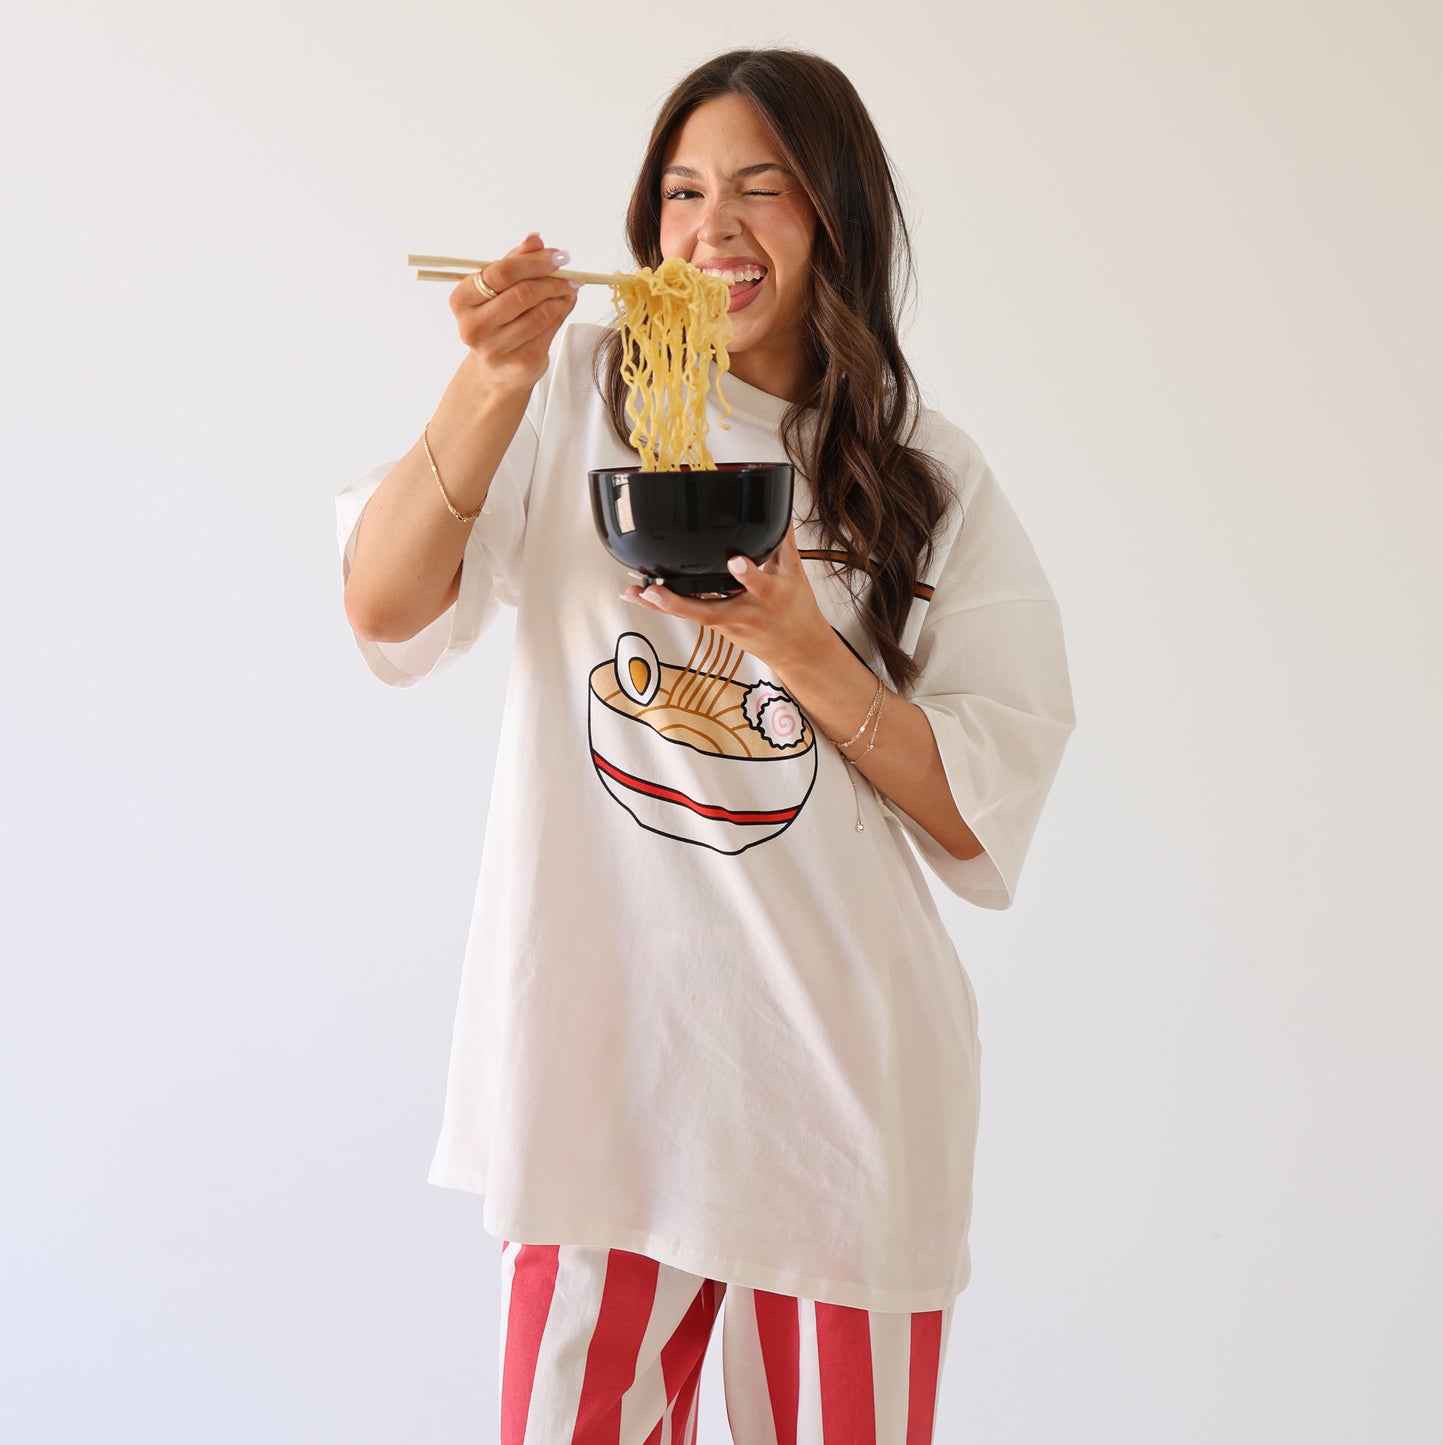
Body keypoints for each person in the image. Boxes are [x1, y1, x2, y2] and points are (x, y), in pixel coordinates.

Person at [337, 47, 1074, 1445]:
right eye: (681, 192)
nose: (710, 231)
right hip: (603, 1073)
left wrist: (800, 645)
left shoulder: (922, 473)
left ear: (838, 214)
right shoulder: (574, 391)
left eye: (760, 189)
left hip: (839, 1089)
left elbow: (978, 808)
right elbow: (382, 604)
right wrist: (490, 380)